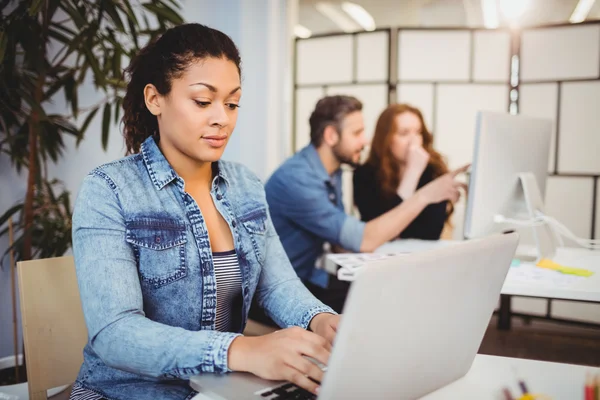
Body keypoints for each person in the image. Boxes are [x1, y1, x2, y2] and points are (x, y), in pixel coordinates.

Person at [70, 23, 339, 400]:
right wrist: (239, 350)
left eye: (231, 103)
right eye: (202, 101)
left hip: (224, 388)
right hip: (128, 393)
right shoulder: (109, 190)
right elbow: (114, 333)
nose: (222, 118)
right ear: (155, 99)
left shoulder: (246, 185)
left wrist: (321, 319)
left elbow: (277, 284)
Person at [258, 96, 468, 315]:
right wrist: (424, 196)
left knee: (390, 293)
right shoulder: (298, 179)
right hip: (278, 291)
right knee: (382, 306)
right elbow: (364, 239)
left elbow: (343, 241)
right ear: (331, 136)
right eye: (357, 133)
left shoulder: (332, 170)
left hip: (307, 276)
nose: (365, 141)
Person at [353, 103, 455, 240]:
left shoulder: (433, 171)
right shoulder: (365, 174)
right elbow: (382, 232)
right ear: (386, 139)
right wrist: (411, 173)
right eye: (404, 133)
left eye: (418, 132)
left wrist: (417, 171)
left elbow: (431, 232)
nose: (414, 141)